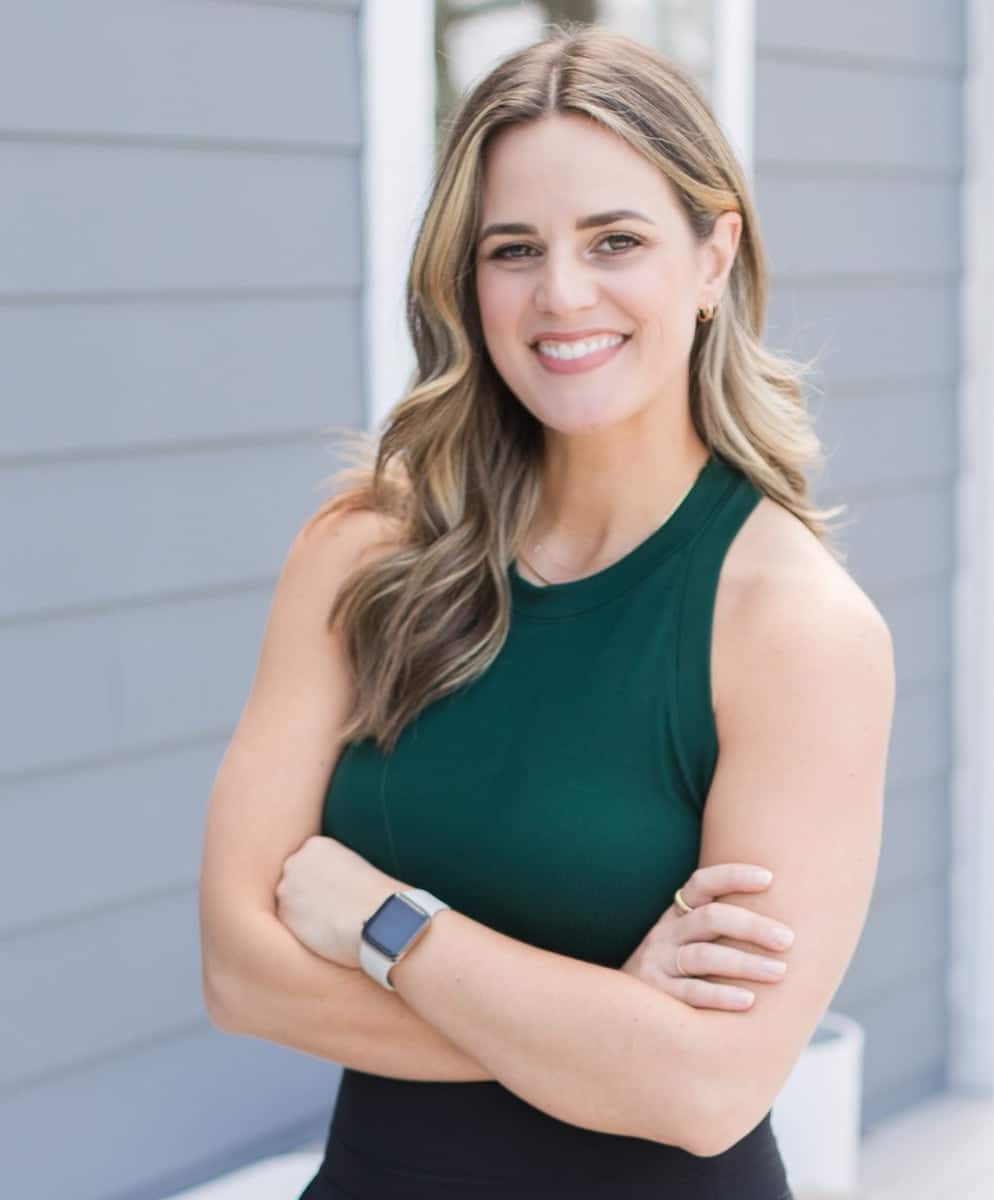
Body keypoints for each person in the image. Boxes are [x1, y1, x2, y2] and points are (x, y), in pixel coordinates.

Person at [198, 23, 894, 1200]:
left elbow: (705, 1092)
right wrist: (613, 1027)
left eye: (614, 240)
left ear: (713, 258)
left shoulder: (795, 628)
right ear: (465, 282)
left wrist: (382, 921)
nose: (560, 294)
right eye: (512, 249)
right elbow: (240, 972)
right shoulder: (364, 552)